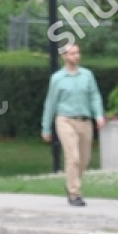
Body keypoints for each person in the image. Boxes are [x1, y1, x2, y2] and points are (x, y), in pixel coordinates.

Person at [41, 42, 105, 205]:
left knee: (84, 159)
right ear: (64, 56)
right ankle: (74, 192)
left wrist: (98, 115)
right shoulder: (57, 79)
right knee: (73, 157)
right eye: (71, 53)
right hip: (65, 119)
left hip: (84, 120)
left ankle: (71, 182)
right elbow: (51, 103)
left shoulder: (87, 75)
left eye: (77, 53)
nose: (75, 56)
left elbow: (94, 96)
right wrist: (46, 127)